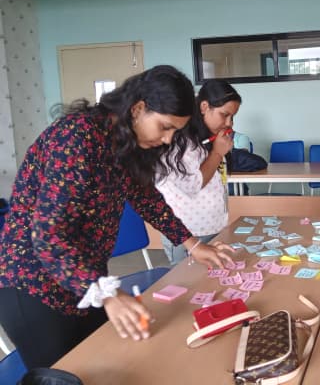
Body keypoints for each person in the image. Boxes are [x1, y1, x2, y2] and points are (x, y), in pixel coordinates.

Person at [0, 65, 235, 370]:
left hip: (85, 276)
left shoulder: (126, 143)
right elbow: (48, 236)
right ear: (138, 108)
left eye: (175, 131)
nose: (167, 140)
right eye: (165, 127)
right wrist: (103, 292)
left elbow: (147, 198)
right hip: (33, 283)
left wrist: (192, 244)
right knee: (65, 374)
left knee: (107, 359)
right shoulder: (76, 137)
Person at [156, 79, 240, 266]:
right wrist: (218, 153)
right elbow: (194, 185)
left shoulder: (209, 139)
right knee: (186, 284)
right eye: (224, 115)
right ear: (204, 106)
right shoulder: (180, 140)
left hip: (213, 225)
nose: (229, 123)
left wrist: (218, 151)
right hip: (187, 232)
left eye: (232, 117)